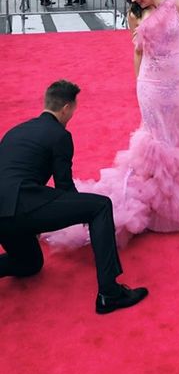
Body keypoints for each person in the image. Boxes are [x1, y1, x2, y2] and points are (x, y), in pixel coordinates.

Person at [48, 0, 179, 250]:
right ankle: (158, 208)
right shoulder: (135, 14)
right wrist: (138, 83)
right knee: (157, 141)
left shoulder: (178, 2)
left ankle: (165, 204)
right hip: (150, 85)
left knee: (173, 138)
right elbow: (138, 51)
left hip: (178, 83)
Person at [0, 81, 148, 314]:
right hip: (23, 205)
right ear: (66, 108)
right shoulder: (59, 135)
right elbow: (65, 187)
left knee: (30, 264)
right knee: (99, 207)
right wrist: (87, 223)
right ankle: (109, 293)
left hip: (5, 216)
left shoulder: (15, 132)